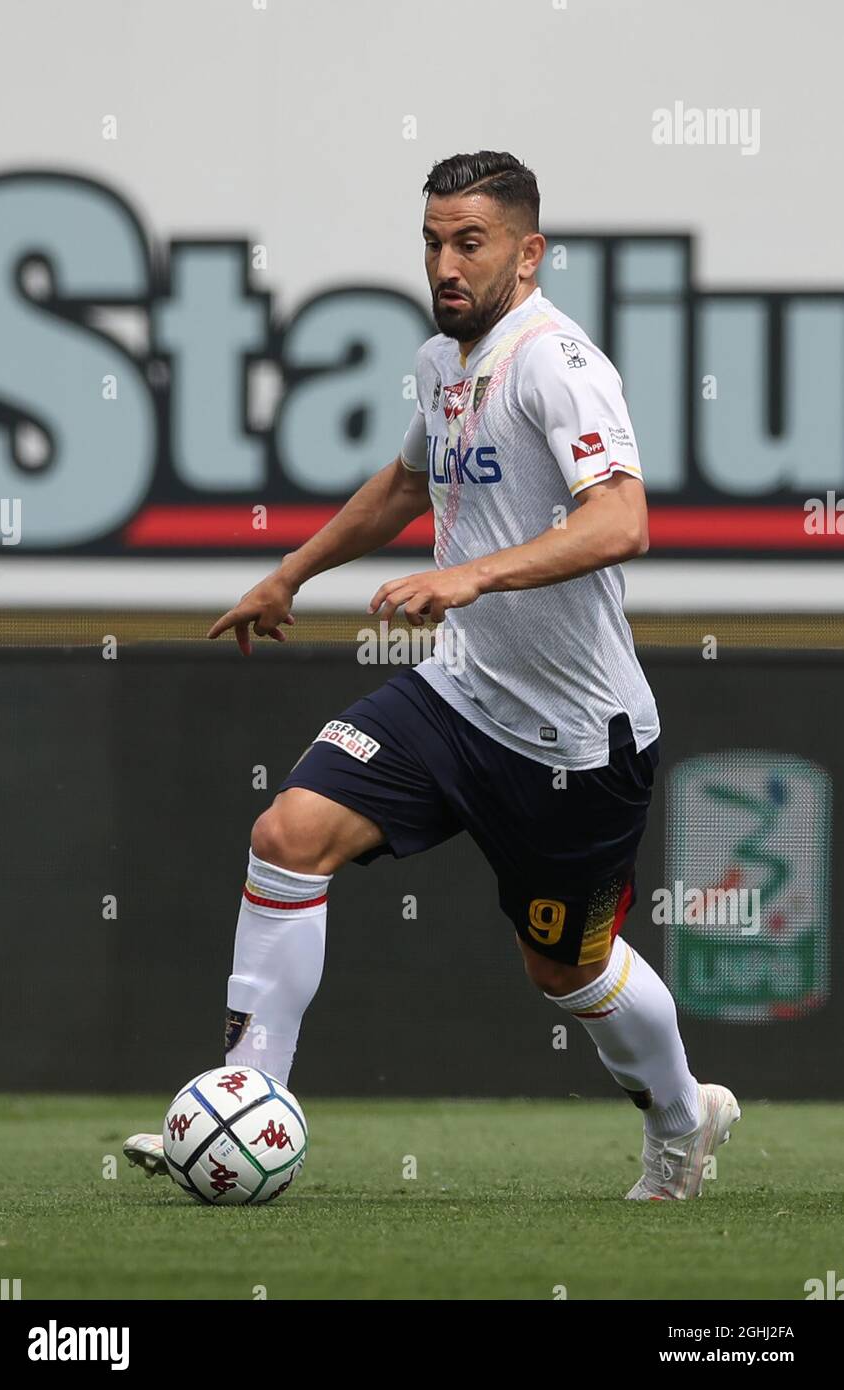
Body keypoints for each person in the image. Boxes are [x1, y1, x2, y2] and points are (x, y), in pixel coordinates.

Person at [125, 150, 738, 1200]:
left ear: (528, 252)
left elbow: (621, 518)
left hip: (574, 742)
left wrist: (473, 578)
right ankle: (245, 1095)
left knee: (567, 970)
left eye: (470, 242)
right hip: (455, 698)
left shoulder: (557, 363)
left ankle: (683, 1119)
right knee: (287, 834)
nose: (445, 264)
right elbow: (407, 482)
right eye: (431, 242)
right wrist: (289, 574)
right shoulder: (439, 362)